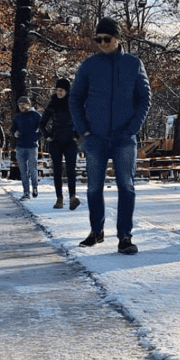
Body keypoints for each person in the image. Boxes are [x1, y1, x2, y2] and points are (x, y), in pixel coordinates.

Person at [69, 16, 151, 255]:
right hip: (95, 137)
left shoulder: (134, 64)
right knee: (94, 187)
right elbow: (75, 98)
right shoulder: (88, 66)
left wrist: (132, 128)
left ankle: (125, 236)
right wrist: (84, 130)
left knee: (126, 186)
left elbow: (144, 98)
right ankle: (97, 231)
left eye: (107, 38)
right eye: (98, 39)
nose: (102, 43)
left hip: (124, 137)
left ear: (118, 38)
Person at [40, 77, 81, 210]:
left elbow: (81, 120)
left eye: (61, 90)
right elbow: (42, 123)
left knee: (71, 171)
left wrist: (77, 136)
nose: (59, 92)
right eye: (57, 90)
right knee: (57, 171)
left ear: (67, 91)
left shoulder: (73, 103)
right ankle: (59, 199)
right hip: (56, 141)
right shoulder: (52, 104)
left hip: (70, 141)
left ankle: (72, 197)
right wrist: (47, 136)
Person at [12, 96, 42, 200]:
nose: (21, 107)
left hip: (32, 146)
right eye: (20, 105)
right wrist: (14, 133)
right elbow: (12, 129)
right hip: (20, 147)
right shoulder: (18, 117)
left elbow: (43, 129)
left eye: (23, 105)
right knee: (23, 171)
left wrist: (35, 137)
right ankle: (26, 192)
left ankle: (34, 187)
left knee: (33, 169)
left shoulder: (36, 115)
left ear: (28, 104)